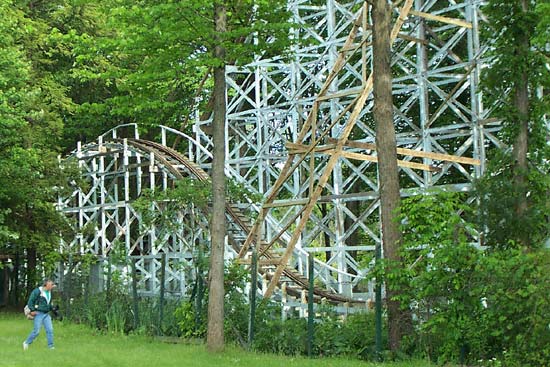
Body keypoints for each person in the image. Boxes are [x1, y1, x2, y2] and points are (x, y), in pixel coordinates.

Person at [23, 278, 56, 350]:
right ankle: (26, 342)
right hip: (38, 313)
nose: (53, 286)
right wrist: (32, 310)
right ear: (46, 285)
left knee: (50, 330)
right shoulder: (37, 291)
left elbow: (48, 303)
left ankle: (51, 346)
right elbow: (30, 301)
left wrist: (52, 309)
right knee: (36, 331)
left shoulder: (50, 292)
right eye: (51, 285)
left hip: (46, 314)